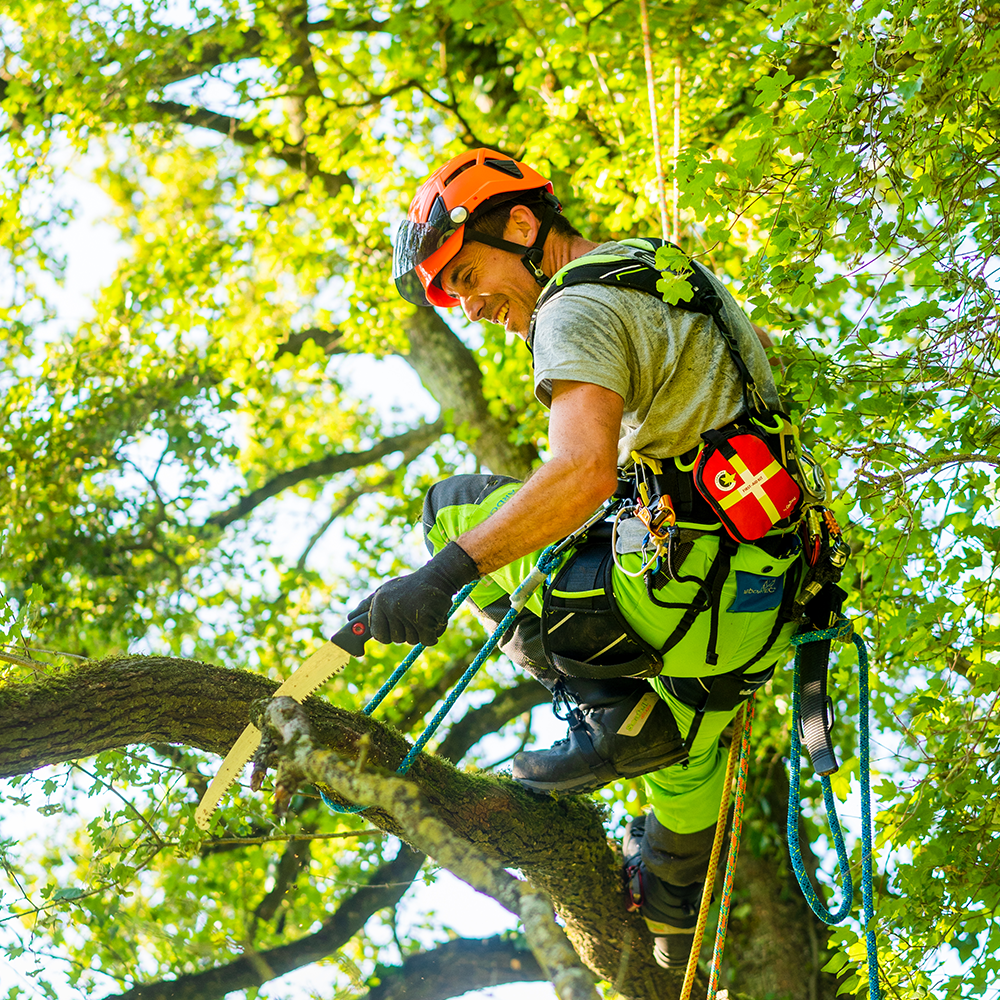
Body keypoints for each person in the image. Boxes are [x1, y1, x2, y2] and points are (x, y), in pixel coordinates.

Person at [361, 148, 809, 970]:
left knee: (451, 508)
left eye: (465, 274)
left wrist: (442, 575)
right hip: (753, 618)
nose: (471, 306)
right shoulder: (667, 275)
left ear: (523, 225)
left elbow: (578, 475)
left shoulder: (576, 302)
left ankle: (606, 707)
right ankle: (668, 928)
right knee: (680, 749)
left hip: (678, 589)